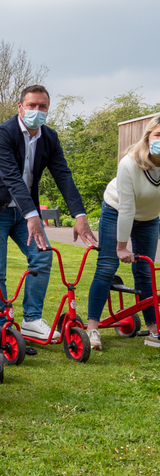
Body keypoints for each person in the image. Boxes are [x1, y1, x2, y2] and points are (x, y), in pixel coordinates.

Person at [0, 84, 98, 340]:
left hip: (23, 211)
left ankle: (32, 320)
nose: (37, 110)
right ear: (20, 107)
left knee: (42, 257)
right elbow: (12, 178)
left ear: (48, 109)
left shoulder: (50, 138)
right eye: (31, 105)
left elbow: (64, 176)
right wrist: (33, 215)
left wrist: (80, 216)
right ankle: (1, 325)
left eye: (42, 106)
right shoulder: (1, 134)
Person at [86, 115, 160, 350]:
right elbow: (127, 207)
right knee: (107, 265)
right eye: (158, 135)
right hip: (117, 210)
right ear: (148, 137)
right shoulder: (130, 163)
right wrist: (120, 247)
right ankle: (92, 329)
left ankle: (154, 332)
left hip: (149, 218)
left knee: (145, 271)